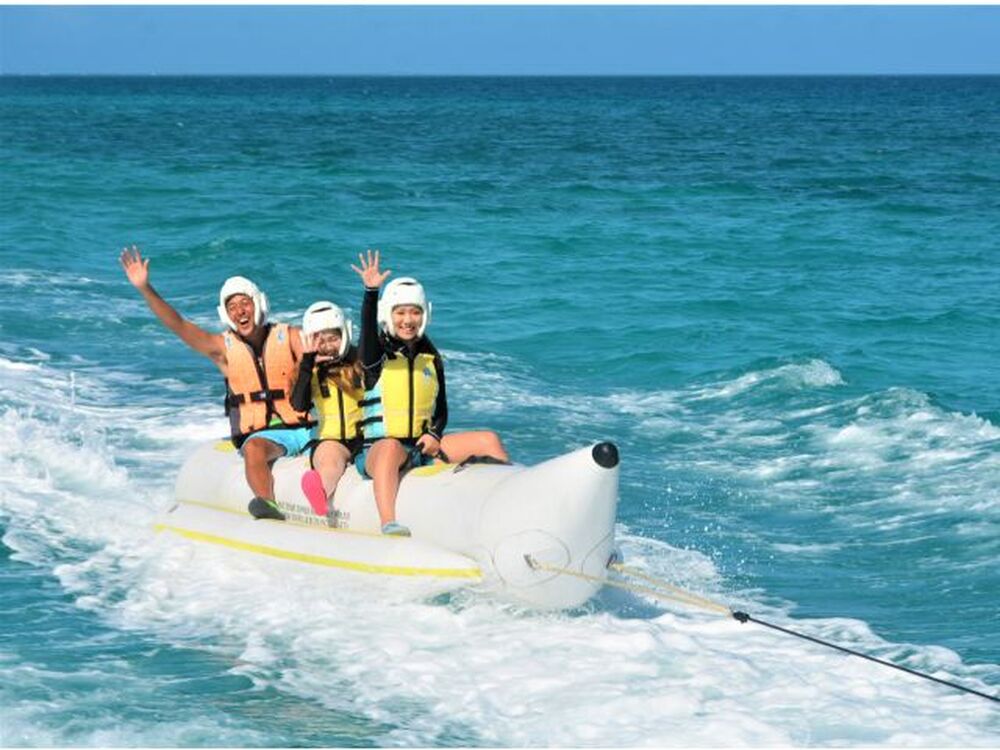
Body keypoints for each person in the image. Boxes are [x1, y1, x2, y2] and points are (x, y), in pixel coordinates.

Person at [119, 245, 312, 521]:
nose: (240, 311)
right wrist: (145, 288)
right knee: (254, 450)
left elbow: (330, 351)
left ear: (259, 304)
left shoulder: (291, 337)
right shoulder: (223, 350)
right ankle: (267, 505)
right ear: (225, 315)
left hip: (309, 427)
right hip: (266, 436)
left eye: (245, 303)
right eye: (232, 307)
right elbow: (179, 325)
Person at [351, 249, 509, 536]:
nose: (408, 319)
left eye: (415, 312)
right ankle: (388, 522)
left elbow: (442, 409)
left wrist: (435, 434)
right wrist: (371, 293)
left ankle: (511, 508)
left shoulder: (430, 357)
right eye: (400, 312)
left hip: (420, 449)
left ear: (425, 314)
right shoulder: (376, 357)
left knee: (488, 440)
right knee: (390, 447)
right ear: (388, 314)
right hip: (377, 451)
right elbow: (367, 335)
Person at [290, 301, 364, 518]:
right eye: (320, 341)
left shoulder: (360, 362)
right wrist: (307, 364)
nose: (328, 346)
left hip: (364, 439)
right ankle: (320, 497)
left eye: (333, 338)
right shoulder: (308, 371)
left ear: (345, 334)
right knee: (331, 464)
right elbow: (299, 404)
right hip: (329, 441)